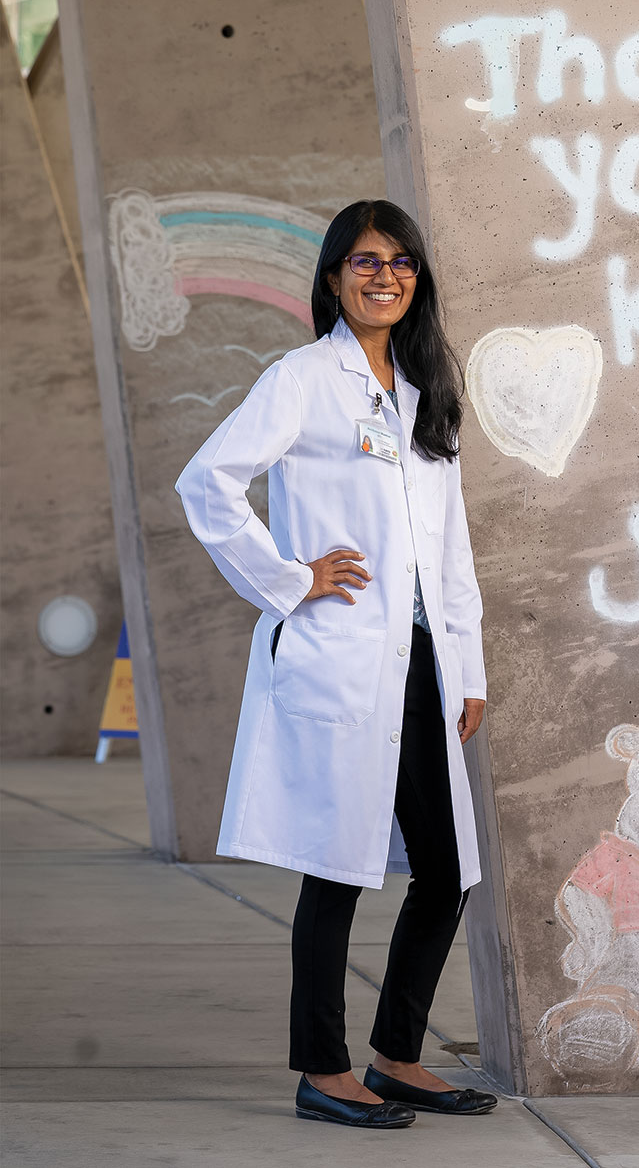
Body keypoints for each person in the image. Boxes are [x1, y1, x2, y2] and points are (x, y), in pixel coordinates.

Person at [175, 199, 496, 1130]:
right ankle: (323, 1068)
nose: (382, 275)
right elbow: (209, 482)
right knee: (337, 866)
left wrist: (468, 667)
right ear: (331, 277)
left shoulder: (424, 386)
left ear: (416, 280)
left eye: (398, 262)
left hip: (426, 665)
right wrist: (288, 577)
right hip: (345, 658)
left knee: (445, 869)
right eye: (363, 261)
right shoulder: (303, 379)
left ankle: (397, 1054)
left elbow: (453, 546)